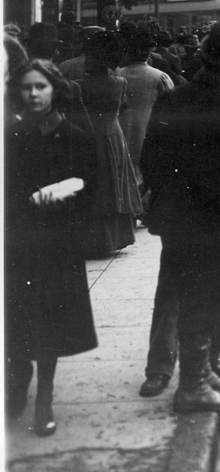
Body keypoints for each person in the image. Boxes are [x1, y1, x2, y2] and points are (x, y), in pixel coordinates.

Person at [139, 20, 220, 412]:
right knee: (203, 300)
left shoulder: (174, 99)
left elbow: (150, 160)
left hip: (177, 217)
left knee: (182, 291)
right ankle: (192, 386)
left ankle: (198, 372)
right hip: (217, 222)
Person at [6, 60, 100, 437]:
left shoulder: (76, 136)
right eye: (27, 87)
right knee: (13, 317)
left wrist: (64, 203)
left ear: (54, 90)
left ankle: (44, 396)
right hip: (15, 242)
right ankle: (18, 376)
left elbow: (91, 190)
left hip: (57, 244)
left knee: (49, 323)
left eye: (40, 87)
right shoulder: (10, 136)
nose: (33, 94)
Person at [77, 31, 142, 257]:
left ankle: (92, 238)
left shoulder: (79, 85)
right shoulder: (119, 83)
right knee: (115, 186)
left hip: (87, 136)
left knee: (94, 187)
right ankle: (116, 237)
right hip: (114, 136)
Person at [116, 24, 174, 198]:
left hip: (120, 128)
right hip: (149, 129)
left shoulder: (118, 74)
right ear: (148, 53)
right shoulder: (160, 76)